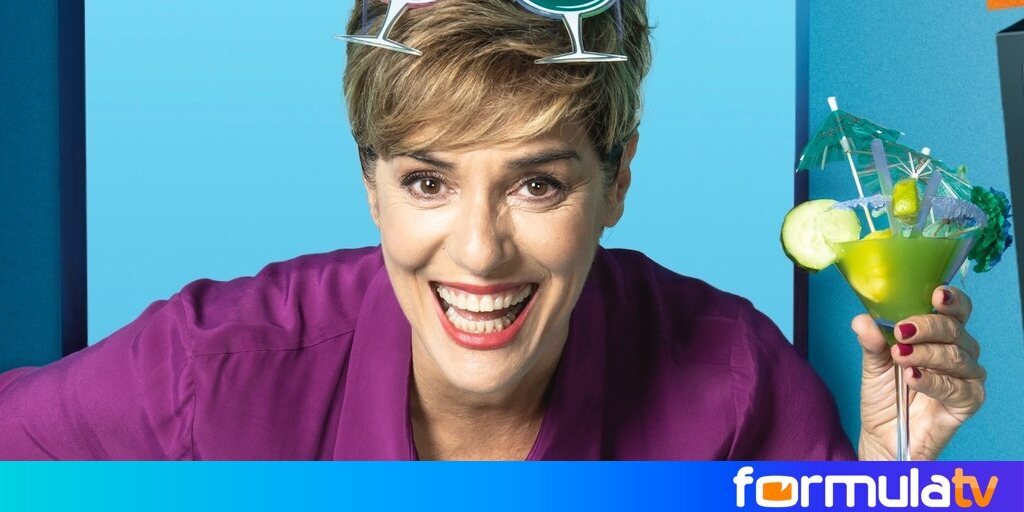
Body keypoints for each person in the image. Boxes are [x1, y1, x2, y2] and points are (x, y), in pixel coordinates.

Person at [0, 0, 985, 460]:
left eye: (536, 184)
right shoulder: (212, 368)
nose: (478, 251)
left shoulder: (733, 383)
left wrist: (894, 479)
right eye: (428, 180)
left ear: (616, 181)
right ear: (372, 185)